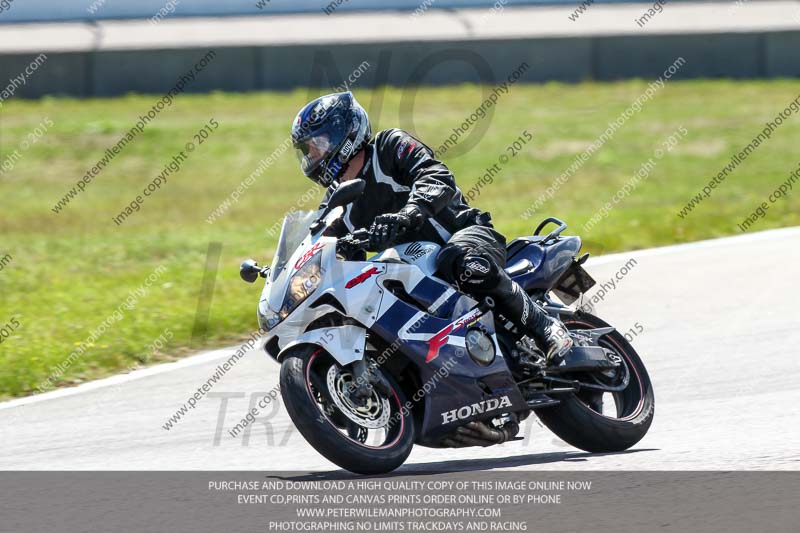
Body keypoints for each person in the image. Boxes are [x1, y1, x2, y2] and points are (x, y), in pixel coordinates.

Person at [291, 91, 573, 362]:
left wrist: (408, 214)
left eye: (318, 144)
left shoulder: (389, 147)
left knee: (459, 261)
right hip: (411, 271)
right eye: (308, 150)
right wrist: (296, 273)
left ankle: (544, 326)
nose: (313, 156)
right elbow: (324, 246)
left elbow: (436, 177)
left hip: (464, 235)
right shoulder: (337, 201)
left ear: (345, 132)